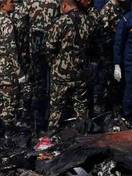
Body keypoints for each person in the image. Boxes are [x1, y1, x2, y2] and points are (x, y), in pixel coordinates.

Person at [46, 0, 90, 131]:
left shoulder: (61, 22)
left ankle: (51, 134)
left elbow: (49, 46)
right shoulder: (87, 20)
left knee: (57, 106)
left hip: (62, 72)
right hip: (81, 71)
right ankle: (84, 134)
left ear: (65, 5)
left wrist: (53, 63)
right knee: (81, 105)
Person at [24, 0, 61, 131]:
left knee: (39, 85)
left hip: (37, 48)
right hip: (50, 48)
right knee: (52, 85)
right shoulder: (56, 2)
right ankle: (50, 122)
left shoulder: (29, 2)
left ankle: (39, 123)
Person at [0, 0, 23, 133]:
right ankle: (8, 132)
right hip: (8, 67)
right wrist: (19, 71)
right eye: (10, 1)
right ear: (2, 5)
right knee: (11, 98)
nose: (14, 3)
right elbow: (11, 48)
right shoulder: (7, 22)